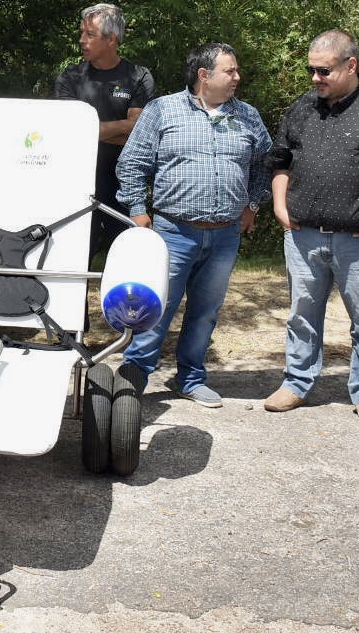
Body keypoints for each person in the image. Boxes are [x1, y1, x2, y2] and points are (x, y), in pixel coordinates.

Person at [115, 42, 271, 408]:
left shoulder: (247, 115)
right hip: (172, 232)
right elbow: (132, 163)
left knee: (205, 311)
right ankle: (135, 375)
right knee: (156, 307)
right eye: (229, 71)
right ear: (204, 75)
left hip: (225, 234)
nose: (237, 77)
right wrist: (138, 211)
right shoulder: (162, 110)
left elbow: (266, 161)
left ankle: (191, 378)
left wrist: (252, 203)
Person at [264, 30, 359, 425]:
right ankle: (295, 383)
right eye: (311, 70)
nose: (315, 78)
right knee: (301, 316)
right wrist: (279, 204)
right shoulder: (303, 108)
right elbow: (280, 160)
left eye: (323, 70)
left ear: (351, 65)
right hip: (304, 236)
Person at [53, 3, 155, 262]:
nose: (81, 40)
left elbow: (140, 132)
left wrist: (90, 131)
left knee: (128, 258)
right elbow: (70, 132)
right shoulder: (70, 77)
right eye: (81, 33)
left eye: (89, 34)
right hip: (76, 180)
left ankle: (124, 306)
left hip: (124, 181)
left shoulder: (139, 76)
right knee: (73, 258)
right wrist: (125, 126)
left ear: (112, 39)